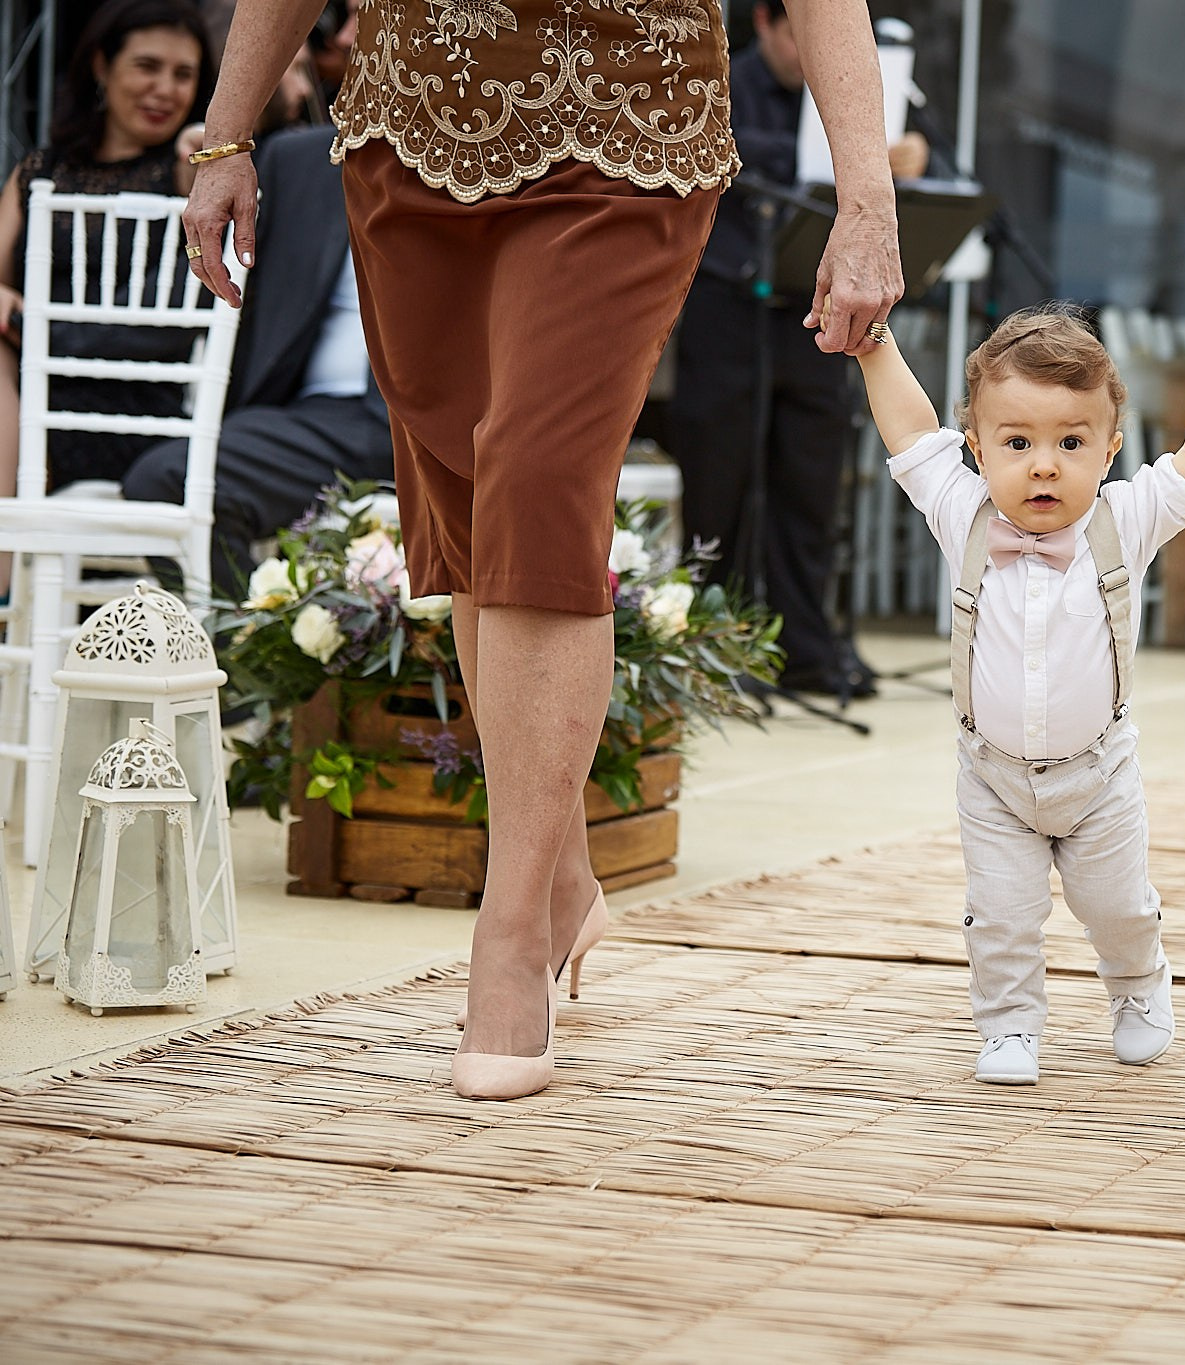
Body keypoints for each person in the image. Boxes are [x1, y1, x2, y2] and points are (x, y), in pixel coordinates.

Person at [185, 0, 902, 1101]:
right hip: (408, 129)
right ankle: (558, 865)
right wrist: (228, 134)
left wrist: (866, 198)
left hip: (628, 126)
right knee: (468, 507)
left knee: (533, 474)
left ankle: (508, 931)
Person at [851, 304, 1185, 1084]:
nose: (1045, 465)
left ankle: (1139, 989)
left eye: (1071, 443)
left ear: (1109, 451)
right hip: (993, 776)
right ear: (976, 448)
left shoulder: (1125, 522)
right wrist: (872, 342)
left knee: (1118, 907)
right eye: (1018, 443)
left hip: (1099, 776)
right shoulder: (962, 513)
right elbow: (909, 431)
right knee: (1001, 915)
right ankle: (1008, 1024)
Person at [667, 0, 930, 700]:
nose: (807, 48)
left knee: (808, 489)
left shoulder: (851, 93)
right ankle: (710, 647)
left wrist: (901, 155)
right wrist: (826, 160)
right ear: (765, 25)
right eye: (795, 33)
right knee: (718, 487)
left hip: (813, 313)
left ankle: (805, 647)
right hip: (726, 311)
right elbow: (719, 148)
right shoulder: (722, 80)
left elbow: (901, 149)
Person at [123, 122, 393, 599]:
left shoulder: (517, 153)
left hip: (452, 425)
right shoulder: (297, 159)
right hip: (315, 423)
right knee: (169, 482)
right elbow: (209, 279)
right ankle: (254, 656)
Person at [0, 0, 213, 592]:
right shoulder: (39, 172)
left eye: (183, 74)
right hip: (27, 402)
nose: (164, 89)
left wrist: (26, 324)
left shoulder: (181, 174)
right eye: (147, 65)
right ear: (102, 65)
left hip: (128, 416)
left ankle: (1, 592)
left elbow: (169, 328)